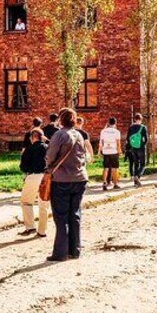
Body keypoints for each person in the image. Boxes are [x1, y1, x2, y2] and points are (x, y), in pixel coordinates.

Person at [45, 108, 89, 262]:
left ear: (60, 120)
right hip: (80, 178)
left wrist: (49, 166)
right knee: (75, 214)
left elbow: (50, 156)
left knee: (61, 216)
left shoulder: (59, 134)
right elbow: (83, 155)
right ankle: (75, 250)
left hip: (62, 179)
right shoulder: (79, 134)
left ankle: (60, 252)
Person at [19, 127, 49, 237]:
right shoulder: (48, 147)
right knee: (44, 205)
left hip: (33, 176)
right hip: (46, 177)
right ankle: (42, 231)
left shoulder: (29, 149)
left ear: (32, 137)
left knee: (26, 202)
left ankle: (30, 227)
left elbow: (23, 167)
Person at [98, 117, 122, 191]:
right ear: (115, 123)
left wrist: (100, 151)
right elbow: (118, 143)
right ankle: (115, 184)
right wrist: (119, 151)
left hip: (106, 151)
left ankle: (104, 182)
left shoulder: (103, 131)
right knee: (115, 168)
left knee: (106, 168)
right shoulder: (117, 132)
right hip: (114, 151)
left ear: (108, 123)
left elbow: (101, 142)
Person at [126, 113, 148, 187]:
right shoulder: (143, 127)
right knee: (142, 164)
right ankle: (137, 176)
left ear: (134, 119)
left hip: (133, 148)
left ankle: (135, 182)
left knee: (136, 164)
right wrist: (143, 144)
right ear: (141, 119)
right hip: (141, 148)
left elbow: (127, 138)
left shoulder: (131, 127)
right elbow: (146, 139)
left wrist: (132, 146)